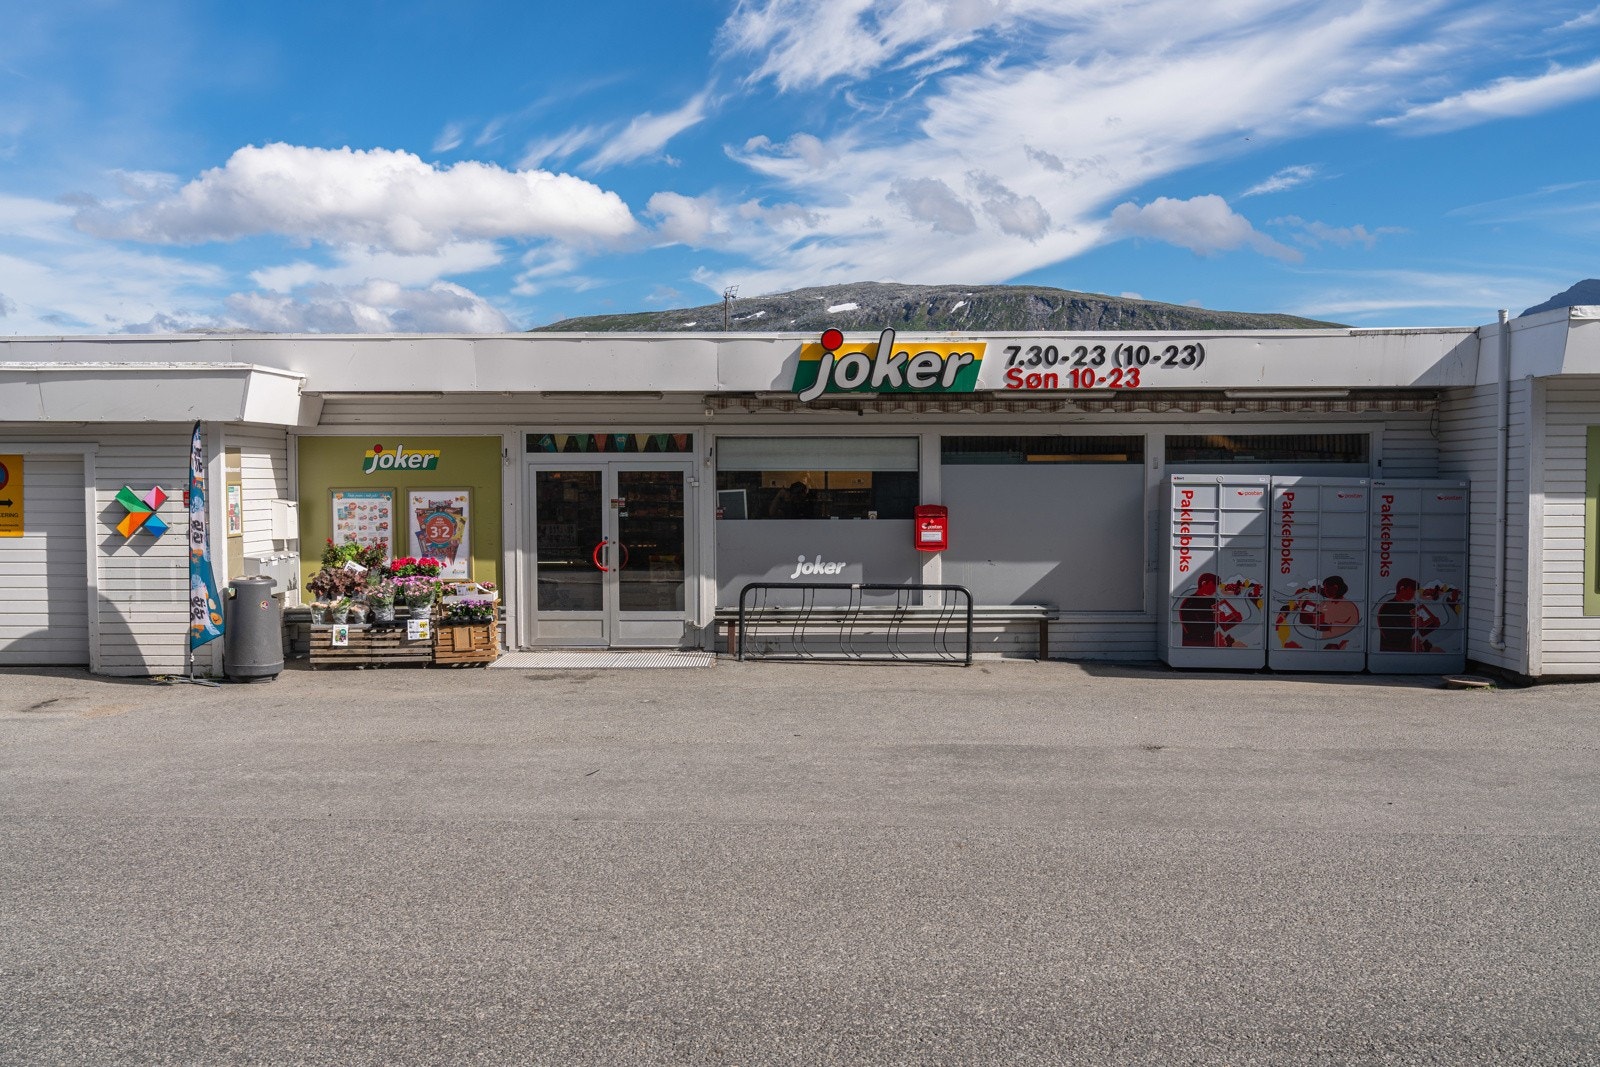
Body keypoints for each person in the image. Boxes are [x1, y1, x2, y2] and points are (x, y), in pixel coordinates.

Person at [1178, 572, 1245, 647]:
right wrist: (1215, 618)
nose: (1215, 589)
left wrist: (1235, 618)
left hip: (1210, 641)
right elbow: (1192, 627)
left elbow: (1226, 622)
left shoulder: (1213, 601)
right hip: (1193, 642)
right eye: (1213, 585)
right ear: (1204, 584)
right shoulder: (1189, 601)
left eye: (1216, 586)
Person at [1377, 577, 1441, 652]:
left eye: (1415, 591)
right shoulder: (1388, 607)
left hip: (1409, 647)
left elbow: (1424, 630)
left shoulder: (1411, 606)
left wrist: (1433, 624)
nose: (1414, 594)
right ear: (1402, 589)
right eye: (1412, 590)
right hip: (1394, 648)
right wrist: (1413, 626)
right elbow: (1390, 633)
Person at [1298, 574, 1361, 649]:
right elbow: (1316, 610)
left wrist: (1309, 620)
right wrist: (1305, 602)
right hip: (1327, 642)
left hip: (1340, 646)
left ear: (1335, 587)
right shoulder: (1329, 602)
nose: (1324, 590)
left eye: (1326, 588)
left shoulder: (1347, 606)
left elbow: (1327, 627)